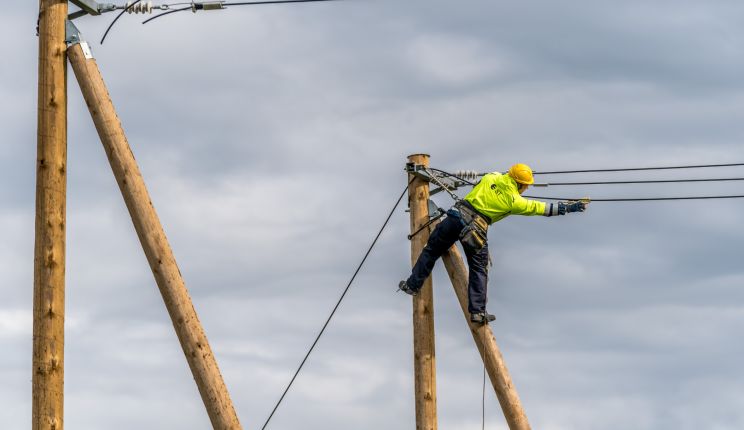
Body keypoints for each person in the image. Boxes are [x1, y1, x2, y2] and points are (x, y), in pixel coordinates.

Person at [398, 163, 588, 324]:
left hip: (455, 216)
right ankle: (478, 312)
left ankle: (412, 285)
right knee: (479, 268)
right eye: (526, 185)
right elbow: (542, 208)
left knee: (431, 250)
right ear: (520, 184)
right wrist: (569, 207)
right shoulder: (514, 201)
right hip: (474, 228)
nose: (527, 188)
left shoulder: (492, 177)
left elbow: (485, 181)